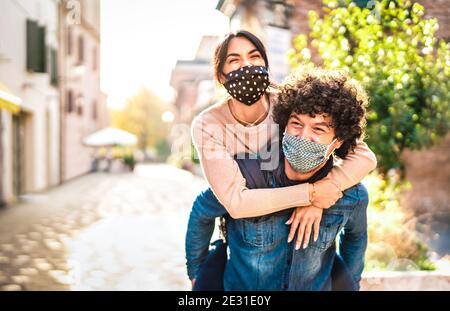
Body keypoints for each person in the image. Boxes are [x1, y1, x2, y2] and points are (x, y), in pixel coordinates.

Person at [187, 30, 377, 289]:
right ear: (221, 75)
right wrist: (309, 195)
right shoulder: (209, 124)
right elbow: (233, 202)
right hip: (252, 211)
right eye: (235, 60)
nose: (247, 65)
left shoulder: (289, 102)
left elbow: (363, 154)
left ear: (266, 64)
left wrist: (324, 193)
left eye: (254, 56)